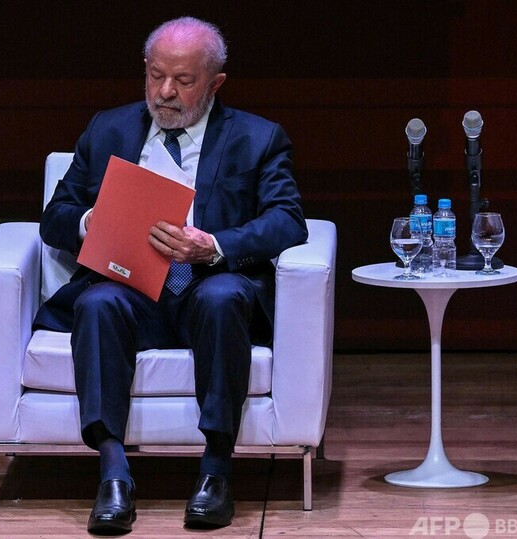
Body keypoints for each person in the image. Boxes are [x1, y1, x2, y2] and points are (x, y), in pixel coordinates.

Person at [33, 16, 308, 534]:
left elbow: (287, 220)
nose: (165, 92)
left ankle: (216, 472)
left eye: (183, 81)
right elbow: (56, 217)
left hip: (209, 287)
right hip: (132, 288)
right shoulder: (108, 129)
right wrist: (94, 221)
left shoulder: (257, 137)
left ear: (215, 83)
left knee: (223, 297)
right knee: (97, 302)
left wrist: (214, 246)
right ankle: (113, 475)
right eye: (156, 75)